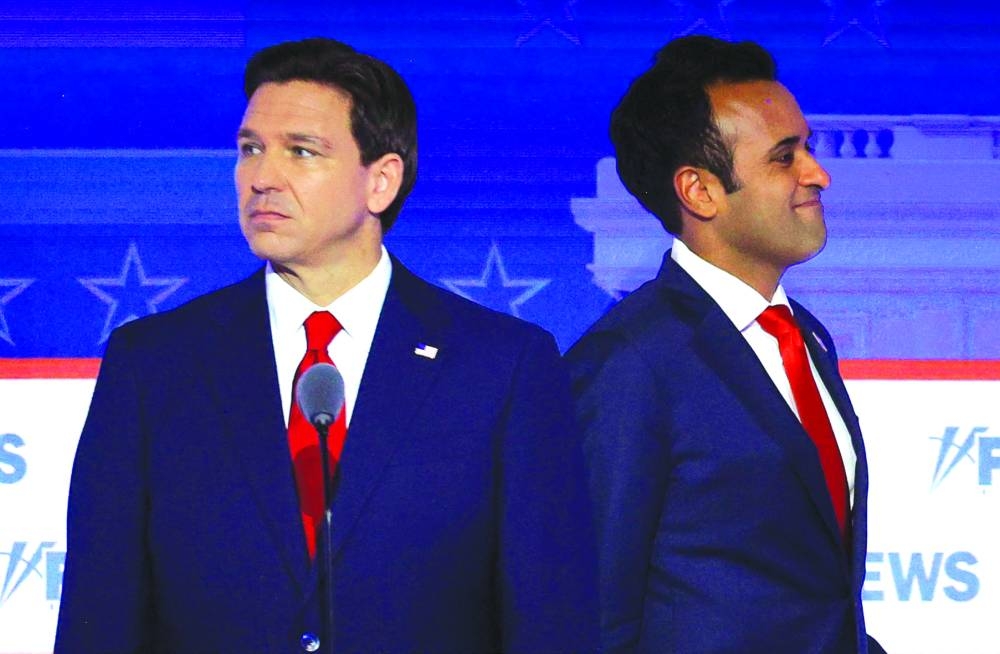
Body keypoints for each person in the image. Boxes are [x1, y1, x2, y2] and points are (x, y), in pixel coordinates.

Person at [55, 37, 597, 654]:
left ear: (381, 182)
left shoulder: (502, 367)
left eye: (301, 152)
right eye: (250, 149)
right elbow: (100, 614)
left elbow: (551, 620)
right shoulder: (153, 365)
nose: (262, 178)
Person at [566, 36, 886, 653]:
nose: (818, 173)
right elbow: (592, 617)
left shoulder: (805, 337)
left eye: (809, 149)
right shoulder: (627, 364)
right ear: (701, 191)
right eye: (783, 157)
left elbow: (811, 595)